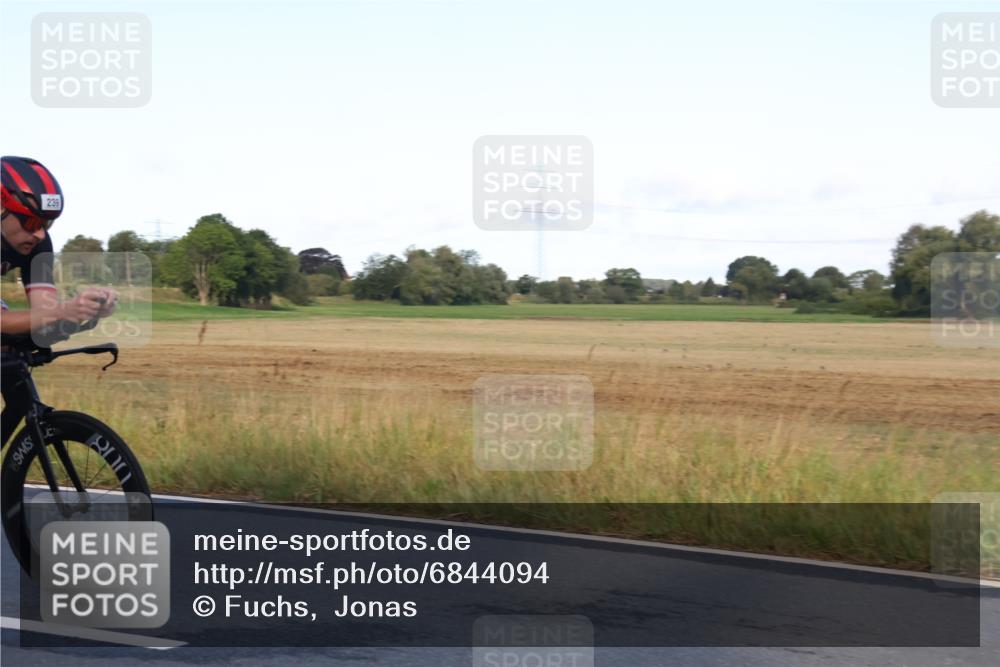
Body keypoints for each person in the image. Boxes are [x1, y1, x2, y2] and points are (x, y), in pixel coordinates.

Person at [1, 155, 116, 335]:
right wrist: (61, 312)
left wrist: (85, 309)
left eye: (46, 224)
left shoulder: (37, 244)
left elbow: (44, 320)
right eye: (31, 222)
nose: (40, 234)